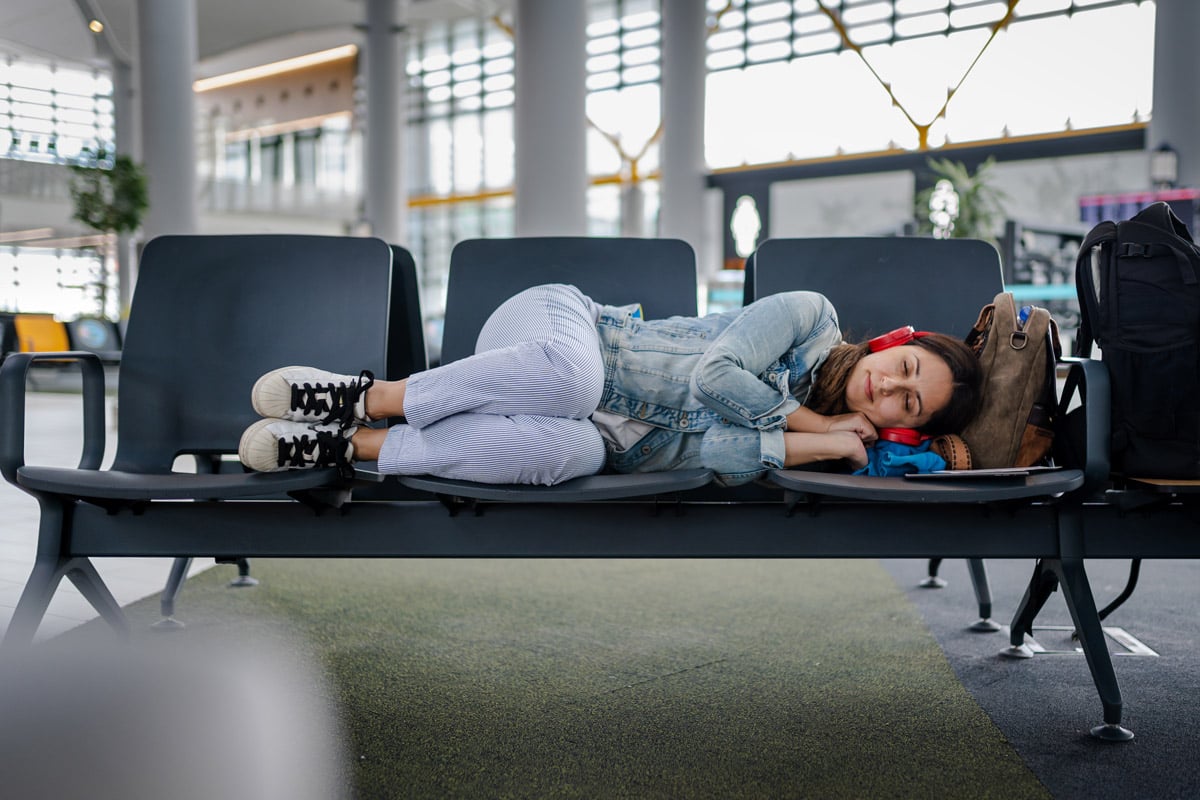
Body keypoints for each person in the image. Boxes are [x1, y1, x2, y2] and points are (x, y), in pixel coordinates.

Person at [239, 284, 981, 487]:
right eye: (905, 370)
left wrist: (819, 452)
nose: (888, 390)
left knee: (573, 455)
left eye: (906, 405)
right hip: (560, 330)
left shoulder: (792, 439)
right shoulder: (809, 316)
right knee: (570, 383)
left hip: (580, 425)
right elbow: (716, 375)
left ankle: (346, 447)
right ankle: (365, 396)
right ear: (895, 345)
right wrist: (814, 430)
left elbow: (716, 459)